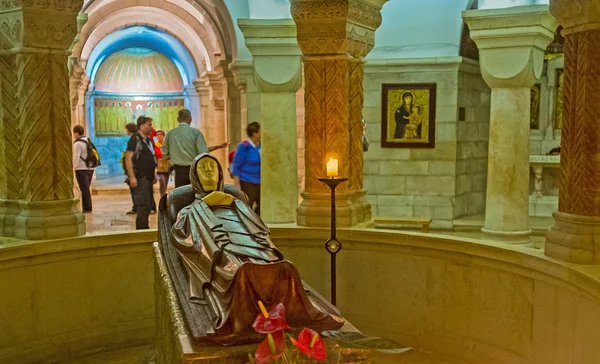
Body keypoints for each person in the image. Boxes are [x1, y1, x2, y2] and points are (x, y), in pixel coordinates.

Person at [162, 154, 343, 344]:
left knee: (285, 269)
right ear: (195, 177)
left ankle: (294, 316)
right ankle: (241, 321)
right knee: (243, 272)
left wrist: (233, 204)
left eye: (212, 167)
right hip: (224, 252)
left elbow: (261, 233)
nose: (208, 171)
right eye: (203, 168)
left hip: (253, 247)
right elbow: (181, 237)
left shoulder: (238, 203)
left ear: (220, 173)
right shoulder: (190, 210)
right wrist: (203, 205)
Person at [161, 108, 227, 188]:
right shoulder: (196, 133)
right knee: (194, 193)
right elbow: (203, 152)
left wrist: (173, 158)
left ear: (178, 119)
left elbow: (164, 153)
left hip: (178, 170)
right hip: (194, 169)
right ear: (190, 119)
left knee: (180, 194)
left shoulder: (170, 134)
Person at [125, 116, 157, 230]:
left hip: (148, 177)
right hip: (140, 176)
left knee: (148, 204)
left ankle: (144, 227)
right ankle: (141, 229)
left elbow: (151, 157)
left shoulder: (148, 140)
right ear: (142, 126)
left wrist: (154, 174)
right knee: (143, 205)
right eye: (149, 125)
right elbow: (128, 158)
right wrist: (132, 176)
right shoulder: (135, 139)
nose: (151, 127)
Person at [232, 122, 261, 215]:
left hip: (260, 181)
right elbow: (236, 165)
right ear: (254, 133)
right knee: (248, 205)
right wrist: (237, 184)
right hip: (247, 180)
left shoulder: (261, 146)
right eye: (260, 131)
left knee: (262, 205)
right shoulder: (244, 146)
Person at [72, 125, 95, 213]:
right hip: (90, 168)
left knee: (84, 189)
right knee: (86, 188)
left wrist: (73, 167)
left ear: (76, 133)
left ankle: (87, 208)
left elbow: (76, 157)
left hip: (81, 168)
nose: (73, 135)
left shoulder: (77, 143)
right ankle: (87, 207)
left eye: (74, 133)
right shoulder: (88, 141)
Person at [123, 123, 139, 215]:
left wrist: (130, 173)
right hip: (137, 169)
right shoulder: (139, 138)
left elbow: (129, 157)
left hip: (134, 170)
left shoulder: (133, 139)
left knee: (134, 190)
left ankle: (136, 207)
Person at [154, 130, 170, 196]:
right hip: (159, 167)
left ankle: (163, 195)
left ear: (164, 136)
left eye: (161, 134)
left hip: (167, 166)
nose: (159, 136)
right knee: (162, 182)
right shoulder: (154, 145)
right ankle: (162, 196)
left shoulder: (167, 145)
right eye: (158, 134)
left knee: (165, 183)